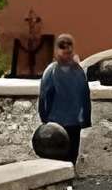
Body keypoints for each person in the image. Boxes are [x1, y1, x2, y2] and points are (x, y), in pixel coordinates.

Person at [36, 33, 92, 168]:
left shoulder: (54, 71)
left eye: (68, 46)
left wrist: (44, 118)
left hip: (64, 123)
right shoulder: (76, 71)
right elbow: (85, 97)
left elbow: (44, 98)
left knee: (64, 158)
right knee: (66, 158)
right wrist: (85, 120)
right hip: (62, 123)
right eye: (63, 46)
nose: (66, 50)